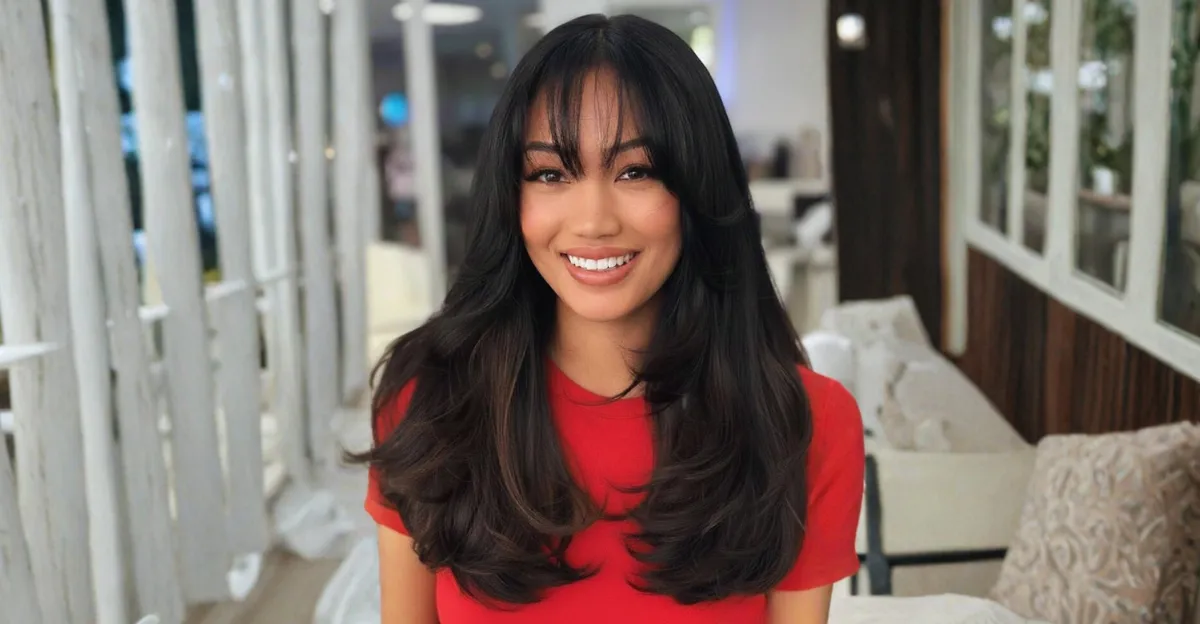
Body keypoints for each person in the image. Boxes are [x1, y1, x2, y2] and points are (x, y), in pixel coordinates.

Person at [356, 14, 864, 624]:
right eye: (550, 174)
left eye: (636, 171)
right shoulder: (429, 400)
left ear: (697, 190)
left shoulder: (806, 425)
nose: (593, 220)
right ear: (511, 197)